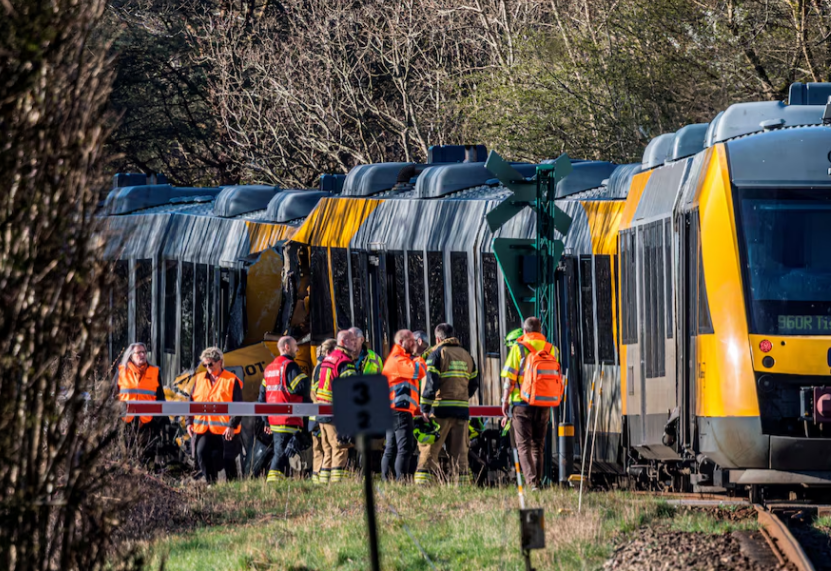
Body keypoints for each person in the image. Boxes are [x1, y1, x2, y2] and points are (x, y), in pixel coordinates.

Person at [500, 316, 560, 490]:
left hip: (522, 403)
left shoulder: (519, 348)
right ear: (541, 331)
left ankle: (532, 483)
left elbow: (510, 378)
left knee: (523, 445)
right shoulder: (552, 349)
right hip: (544, 404)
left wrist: (505, 401)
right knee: (538, 446)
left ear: (524, 332)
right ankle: (537, 481)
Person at [416, 323, 479, 485]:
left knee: (429, 450)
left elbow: (431, 383)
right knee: (460, 452)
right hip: (461, 411)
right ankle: (462, 486)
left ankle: (424, 485)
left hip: (440, 411)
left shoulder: (437, 354)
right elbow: (474, 384)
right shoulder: (467, 356)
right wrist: (462, 397)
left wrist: (425, 407)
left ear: (437, 338)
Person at [186, 347, 244, 484]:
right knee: (201, 453)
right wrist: (189, 422)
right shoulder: (199, 379)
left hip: (225, 429)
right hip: (203, 429)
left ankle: (233, 488)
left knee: (227, 459)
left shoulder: (231, 380)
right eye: (205, 365)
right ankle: (211, 484)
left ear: (220, 362)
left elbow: (238, 406)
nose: (208, 367)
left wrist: (232, 425)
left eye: (210, 364)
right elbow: (190, 403)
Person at [259, 336, 310, 482]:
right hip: (288, 419)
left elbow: (261, 398)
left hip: (275, 421)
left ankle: (283, 484)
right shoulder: (290, 366)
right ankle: (273, 485)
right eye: (295, 346)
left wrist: (266, 421)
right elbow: (301, 387)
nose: (298, 349)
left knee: (284, 454)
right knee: (280, 456)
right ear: (287, 347)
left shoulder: (269, 369)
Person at [313, 329, 358, 483]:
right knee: (340, 448)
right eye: (352, 341)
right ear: (344, 342)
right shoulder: (344, 361)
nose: (355, 343)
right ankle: (337, 486)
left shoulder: (328, 359)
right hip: (335, 412)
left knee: (328, 450)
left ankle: (324, 483)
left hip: (322, 411)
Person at [381, 329, 424, 482]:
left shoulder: (399, 359)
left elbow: (406, 388)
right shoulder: (398, 360)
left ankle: (388, 480)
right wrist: (419, 356)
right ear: (401, 342)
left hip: (394, 411)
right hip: (399, 411)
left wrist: (417, 409)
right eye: (411, 340)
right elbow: (420, 372)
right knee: (404, 449)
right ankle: (401, 481)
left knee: (391, 449)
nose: (414, 343)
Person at [115, 342, 165, 468]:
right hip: (126, 421)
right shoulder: (122, 372)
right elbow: (113, 396)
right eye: (139, 352)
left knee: (147, 459)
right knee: (126, 458)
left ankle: (148, 484)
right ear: (131, 356)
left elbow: (160, 398)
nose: (142, 355)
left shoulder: (155, 372)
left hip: (147, 423)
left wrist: (157, 420)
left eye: (144, 352)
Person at [309, 338, 336, 483]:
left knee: (318, 451)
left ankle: (316, 480)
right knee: (328, 449)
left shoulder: (317, 367)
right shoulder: (325, 367)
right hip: (323, 415)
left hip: (315, 416)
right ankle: (324, 480)